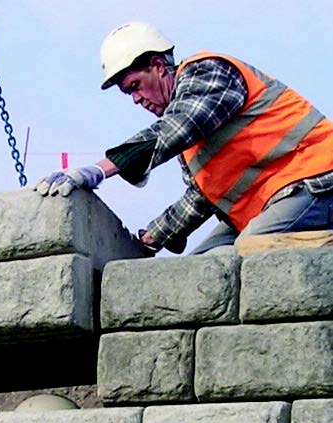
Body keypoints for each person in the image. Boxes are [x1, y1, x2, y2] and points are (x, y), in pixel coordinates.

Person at [36, 22, 333, 255]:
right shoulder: (191, 148)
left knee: (247, 253)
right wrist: (148, 243)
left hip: (317, 182)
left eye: (136, 86)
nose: (136, 99)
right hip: (274, 202)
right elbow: (199, 199)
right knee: (199, 273)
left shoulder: (207, 72)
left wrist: (100, 170)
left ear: (157, 65)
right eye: (129, 93)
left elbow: (177, 127)